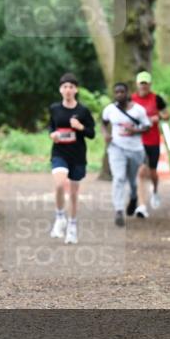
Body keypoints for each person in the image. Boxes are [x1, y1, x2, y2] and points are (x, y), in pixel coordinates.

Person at [48, 73, 96, 244]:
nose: (68, 90)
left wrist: (81, 127)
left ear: (76, 90)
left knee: (74, 194)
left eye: (71, 87)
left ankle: (72, 227)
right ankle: (60, 217)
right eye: (65, 87)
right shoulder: (54, 108)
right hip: (59, 153)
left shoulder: (83, 111)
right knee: (60, 184)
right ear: (60, 90)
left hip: (77, 155)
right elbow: (51, 126)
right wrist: (52, 134)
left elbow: (92, 133)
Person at [101, 82, 151, 227]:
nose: (119, 95)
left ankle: (134, 197)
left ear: (127, 93)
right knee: (119, 177)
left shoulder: (138, 110)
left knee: (132, 180)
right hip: (116, 148)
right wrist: (106, 134)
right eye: (117, 92)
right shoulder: (110, 109)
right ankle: (118, 210)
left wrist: (134, 131)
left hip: (135, 149)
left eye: (122, 92)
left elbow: (147, 127)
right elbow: (103, 123)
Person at [131, 71, 170, 214]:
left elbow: (167, 115)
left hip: (152, 140)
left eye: (146, 84)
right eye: (141, 83)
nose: (143, 86)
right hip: (137, 141)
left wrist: (158, 116)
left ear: (149, 84)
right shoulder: (131, 100)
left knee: (152, 171)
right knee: (141, 171)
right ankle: (141, 206)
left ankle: (155, 190)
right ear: (137, 84)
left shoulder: (156, 99)